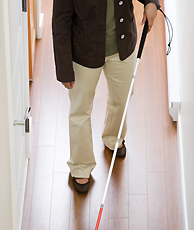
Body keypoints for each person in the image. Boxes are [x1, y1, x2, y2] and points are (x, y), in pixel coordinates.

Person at [52, 0, 160, 194]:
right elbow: (60, 21)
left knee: (122, 97)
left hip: (122, 46)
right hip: (84, 52)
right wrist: (64, 68)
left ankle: (113, 137)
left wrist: (152, 2)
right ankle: (80, 165)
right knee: (80, 109)